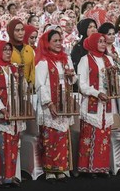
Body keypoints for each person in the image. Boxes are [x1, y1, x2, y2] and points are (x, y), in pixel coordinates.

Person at [35, 30, 76, 183]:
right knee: (50, 137)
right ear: (47, 43)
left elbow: (72, 80)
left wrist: (72, 76)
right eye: (55, 41)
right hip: (50, 105)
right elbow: (40, 85)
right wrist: (49, 102)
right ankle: (50, 170)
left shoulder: (66, 60)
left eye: (60, 40)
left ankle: (61, 168)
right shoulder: (43, 62)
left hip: (64, 103)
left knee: (62, 136)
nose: (59, 43)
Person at [0, 41, 26, 187]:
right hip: (0, 112)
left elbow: (23, 88)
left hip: (14, 111)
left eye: (10, 50)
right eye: (5, 50)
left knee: (14, 144)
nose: (8, 52)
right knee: (1, 144)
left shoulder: (13, 68)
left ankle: (10, 175)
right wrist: (2, 109)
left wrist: (21, 77)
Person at [77, 33, 114, 177]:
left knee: (104, 136)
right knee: (90, 135)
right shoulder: (84, 60)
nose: (103, 44)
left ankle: (102, 167)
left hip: (106, 103)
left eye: (104, 41)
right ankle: (87, 168)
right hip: (91, 102)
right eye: (100, 42)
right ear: (92, 43)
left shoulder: (109, 59)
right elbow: (82, 84)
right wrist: (96, 93)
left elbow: (114, 81)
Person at [7, 19, 35, 84]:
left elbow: (33, 69)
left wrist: (31, 84)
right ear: (11, 32)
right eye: (17, 30)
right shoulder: (6, 49)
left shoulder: (29, 49)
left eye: (22, 30)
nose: (21, 33)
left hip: (29, 90)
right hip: (12, 87)